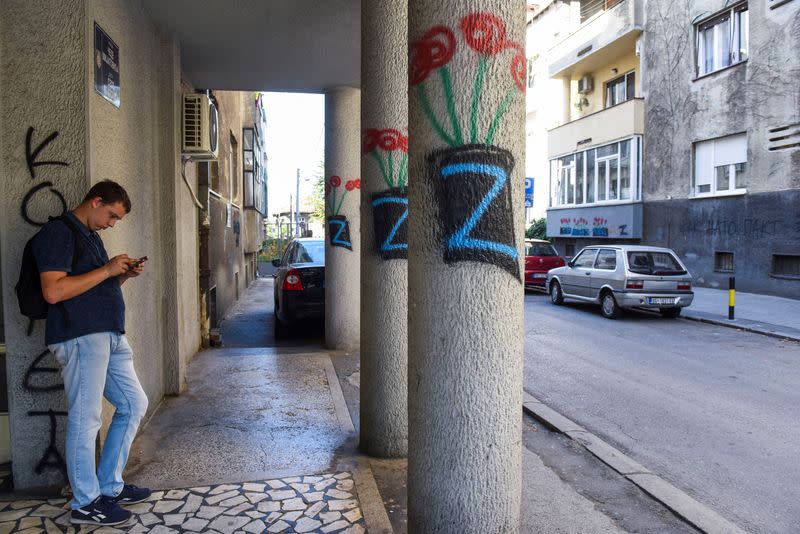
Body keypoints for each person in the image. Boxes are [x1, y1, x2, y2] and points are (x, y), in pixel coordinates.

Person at [32, 180, 151, 526]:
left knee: (133, 403)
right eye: (112, 215)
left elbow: (94, 286)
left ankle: (110, 487)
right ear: (96, 201)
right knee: (87, 418)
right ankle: (85, 502)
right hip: (80, 337)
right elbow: (53, 291)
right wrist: (108, 269)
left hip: (109, 336)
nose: (112, 224)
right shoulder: (59, 232)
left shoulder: (91, 238)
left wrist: (121, 275)